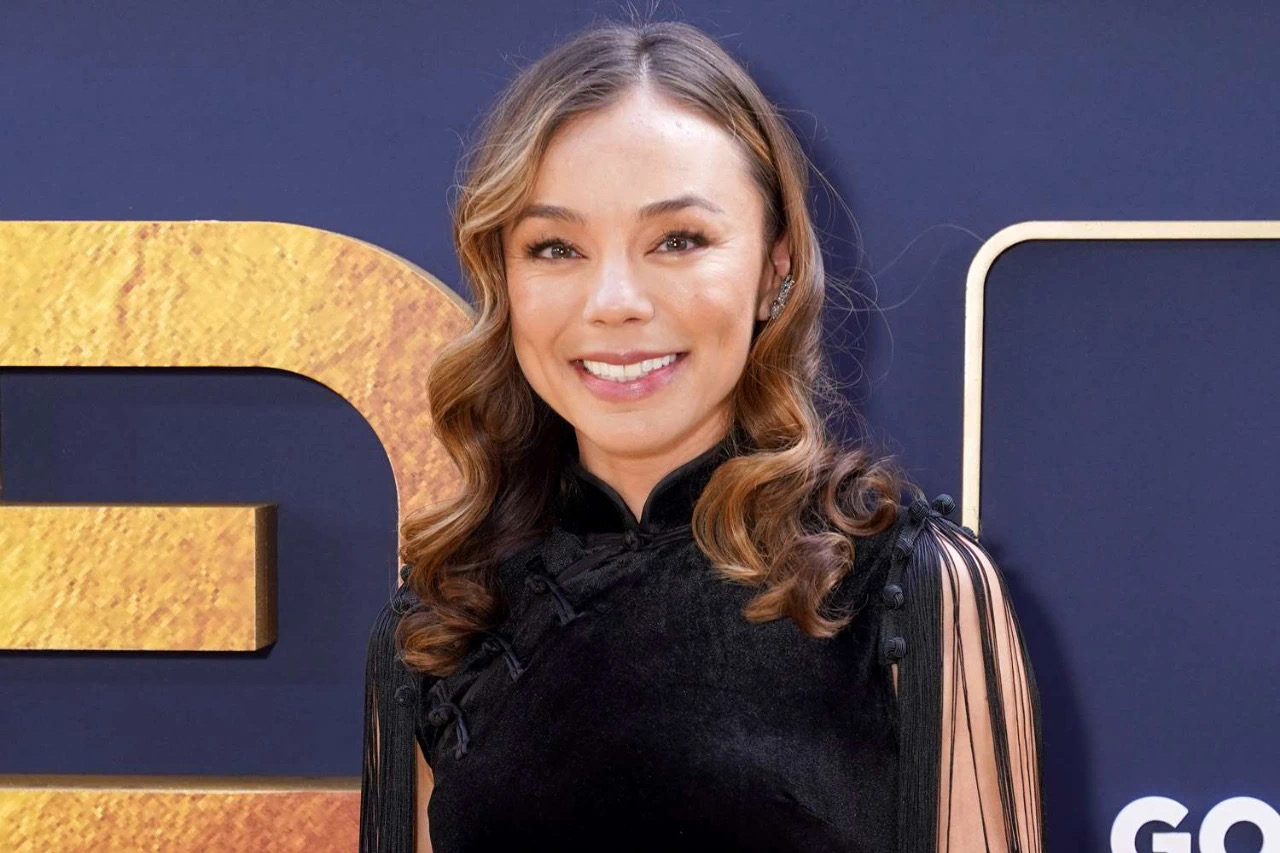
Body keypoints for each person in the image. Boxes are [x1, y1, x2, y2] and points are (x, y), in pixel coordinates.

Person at [360, 16, 1043, 853]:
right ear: (502, 278)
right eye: (556, 247)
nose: (615, 301)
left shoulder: (901, 587)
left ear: (776, 269)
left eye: (678, 240)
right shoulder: (442, 622)